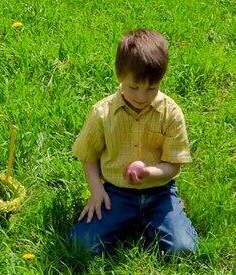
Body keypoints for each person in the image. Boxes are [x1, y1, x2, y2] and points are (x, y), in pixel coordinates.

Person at [69, 29, 198, 256]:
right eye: (134, 86)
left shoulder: (171, 113)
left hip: (159, 193)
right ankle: (132, 223)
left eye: (152, 88)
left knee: (184, 249)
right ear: (120, 76)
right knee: (82, 246)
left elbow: (173, 165)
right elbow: (88, 156)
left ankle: (161, 218)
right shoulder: (103, 113)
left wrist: (150, 173)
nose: (141, 96)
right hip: (116, 194)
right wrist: (96, 191)